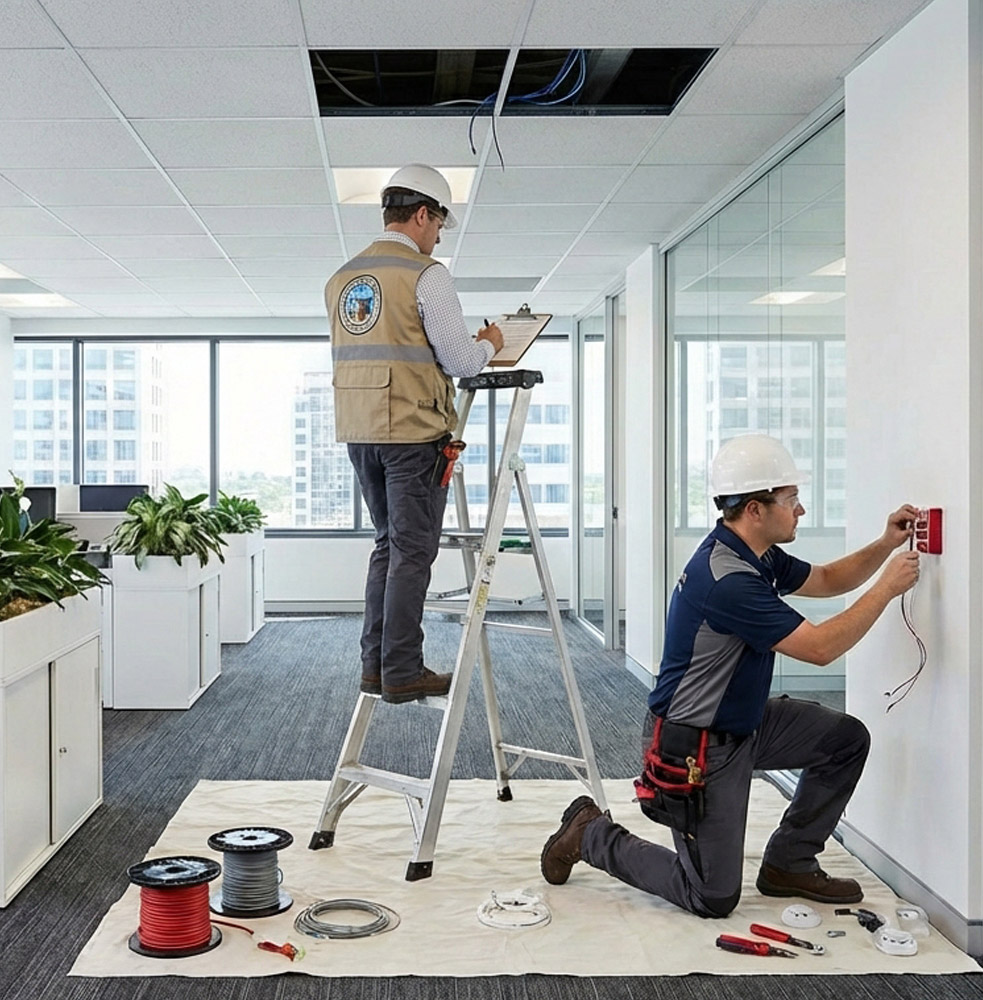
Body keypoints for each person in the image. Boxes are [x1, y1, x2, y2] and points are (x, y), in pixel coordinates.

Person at [540, 434, 920, 917]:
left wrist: (886, 545)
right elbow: (821, 649)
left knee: (844, 739)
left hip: (744, 725)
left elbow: (825, 580)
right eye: (791, 499)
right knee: (712, 897)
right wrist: (887, 588)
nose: (800, 510)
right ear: (755, 510)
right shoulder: (728, 581)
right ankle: (591, 832)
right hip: (695, 745)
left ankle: (790, 864)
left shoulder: (753, 552)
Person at [326, 163, 504, 704]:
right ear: (423, 214)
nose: (437, 238)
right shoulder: (427, 274)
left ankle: (376, 666)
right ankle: (402, 669)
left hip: (362, 433)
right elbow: (461, 360)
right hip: (412, 434)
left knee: (388, 547)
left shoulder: (343, 278)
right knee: (412, 552)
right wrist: (491, 341)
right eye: (439, 226)